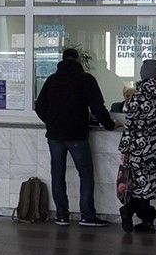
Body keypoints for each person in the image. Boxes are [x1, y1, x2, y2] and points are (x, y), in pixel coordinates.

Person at [36, 48, 115, 227]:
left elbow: (39, 106)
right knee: (85, 174)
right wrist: (109, 125)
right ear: (78, 60)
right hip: (77, 135)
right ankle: (87, 216)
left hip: (55, 136)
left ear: (62, 60)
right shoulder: (86, 79)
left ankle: (62, 216)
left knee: (57, 174)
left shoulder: (52, 79)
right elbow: (98, 107)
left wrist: (52, 122)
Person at [117, 59, 156, 233]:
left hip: (138, 149)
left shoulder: (137, 96)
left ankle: (129, 211)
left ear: (143, 75)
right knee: (148, 187)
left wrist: (124, 149)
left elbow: (129, 125)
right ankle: (146, 221)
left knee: (137, 186)